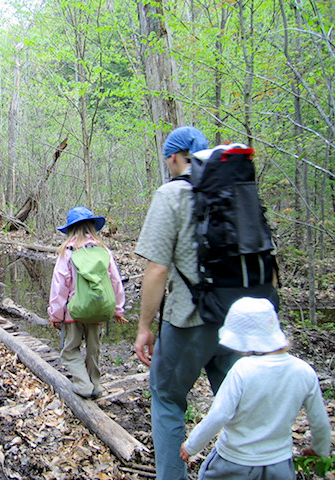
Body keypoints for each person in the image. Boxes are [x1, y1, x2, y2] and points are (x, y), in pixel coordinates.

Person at [133, 126, 240, 480]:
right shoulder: (235, 191)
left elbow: (157, 270)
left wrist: (145, 327)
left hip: (189, 320)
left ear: (176, 158)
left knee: (167, 398)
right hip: (238, 321)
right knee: (238, 405)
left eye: (168, 158)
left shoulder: (171, 195)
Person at [180, 297, 331, 479]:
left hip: (234, 462)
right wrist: (319, 449)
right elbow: (320, 422)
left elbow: (219, 415)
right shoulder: (304, 371)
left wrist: (191, 446)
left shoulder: (242, 370)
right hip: (279, 464)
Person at [48, 206, 127, 399]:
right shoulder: (103, 251)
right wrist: (118, 309)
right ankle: (95, 385)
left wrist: (55, 314)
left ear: (70, 229)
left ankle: (83, 385)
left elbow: (60, 286)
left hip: (74, 311)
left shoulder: (67, 251)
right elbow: (115, 281)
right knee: (94, 350)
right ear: (92, 227)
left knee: (70, 350)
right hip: (99, 308)